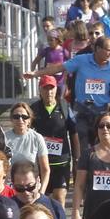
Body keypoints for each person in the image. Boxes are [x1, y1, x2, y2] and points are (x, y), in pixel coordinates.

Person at [29, 75, 76, 205]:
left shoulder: (65, 107)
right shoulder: (34, 109)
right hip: (42, 162)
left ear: (56, 89)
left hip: (62, 161)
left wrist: (77, 158)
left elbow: (73, 132)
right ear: (40, 90)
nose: (49, 92)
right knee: (42, 199)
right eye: (45, 89)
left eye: (51, 88)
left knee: (59, 197)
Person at [4, 102, 50, 188]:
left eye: (24, 117)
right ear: (11, 119)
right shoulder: (3, 137)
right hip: (10, 187)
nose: (20, 120)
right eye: (16, 117)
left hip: (31, 186)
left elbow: (45, 169)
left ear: (29, 119)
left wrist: (42, 192)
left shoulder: (37, 138)